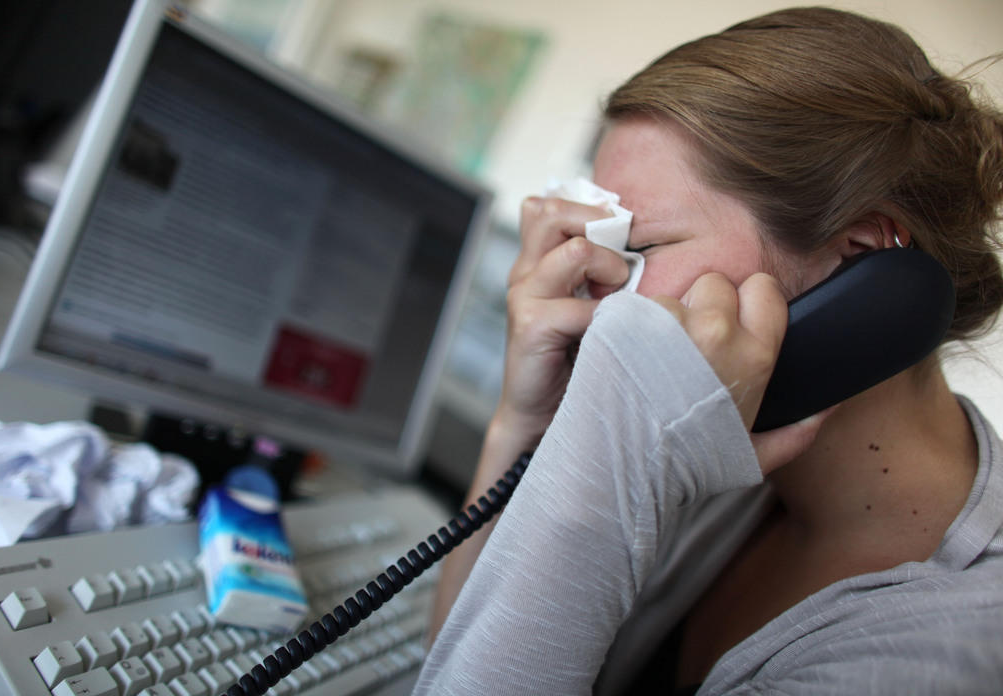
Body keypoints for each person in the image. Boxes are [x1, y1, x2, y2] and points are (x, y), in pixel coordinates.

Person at [412, 6, 1003, 696]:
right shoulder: (712, 448)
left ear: (864, 264)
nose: (593, 294)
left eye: (643, 249)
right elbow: (458, 661)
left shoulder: (944, 653)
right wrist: (525, 422)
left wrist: (613, 461)